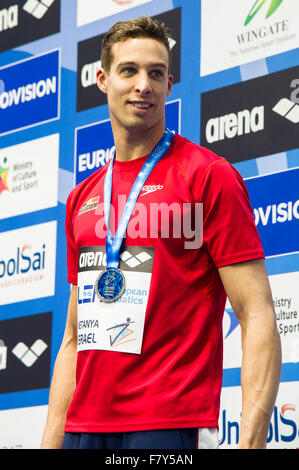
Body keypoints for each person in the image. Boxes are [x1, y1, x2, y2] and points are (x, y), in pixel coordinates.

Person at [40, 15, 281, 450]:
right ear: (102, 79)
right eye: (128, 70)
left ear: (170, 84)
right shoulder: (81, 198)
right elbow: (74, 339)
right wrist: (51, 440)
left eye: (156, 74)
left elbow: (257, 312)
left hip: (171, 424)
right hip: (84, 428)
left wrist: (252, 440)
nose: (143, 86)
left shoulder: (208, 175)